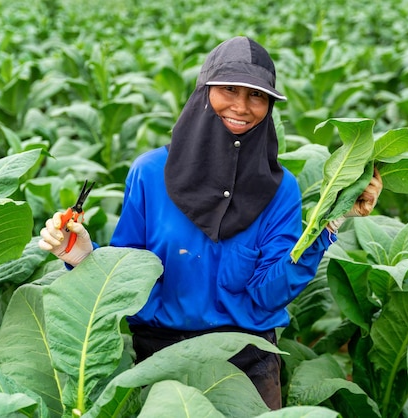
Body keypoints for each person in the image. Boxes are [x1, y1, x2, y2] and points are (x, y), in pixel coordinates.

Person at [38, 36, 383, 410]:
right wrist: (84, 256)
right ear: (203, 92)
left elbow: (268, 293)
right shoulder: (150, 173)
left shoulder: (281, 189)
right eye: (229, 89)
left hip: (247, 362)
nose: (242, 106)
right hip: (160, 358)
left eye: (257, 96)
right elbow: (130, 275)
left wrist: (329, 220)